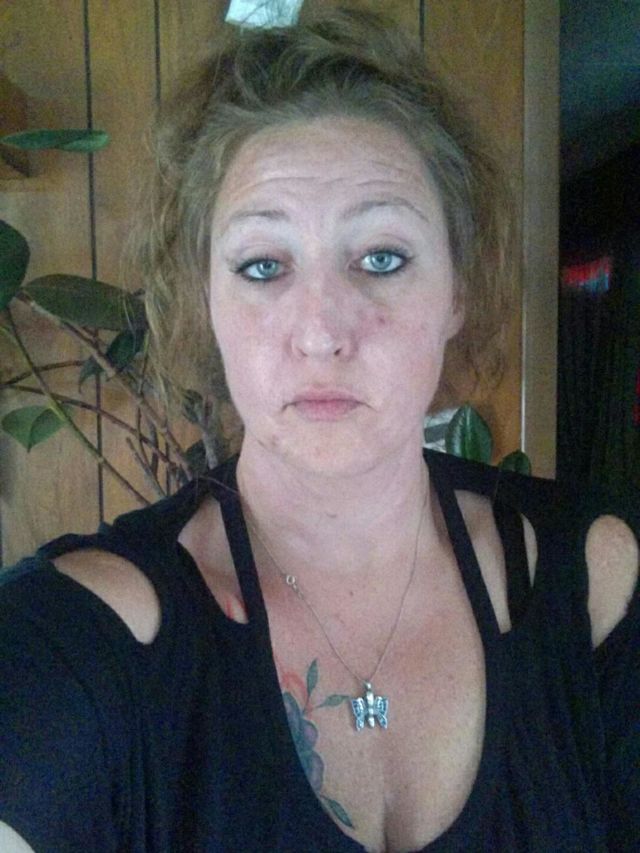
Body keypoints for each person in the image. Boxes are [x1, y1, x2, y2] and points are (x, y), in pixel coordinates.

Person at [1, 8, 638, 852]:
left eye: (381, 257)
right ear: (205, 303)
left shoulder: (594, 582)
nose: (322, 332)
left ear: (455, 291)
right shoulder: (73, 642)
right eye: (263, 266)